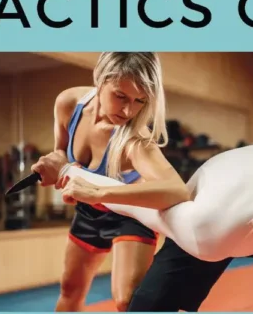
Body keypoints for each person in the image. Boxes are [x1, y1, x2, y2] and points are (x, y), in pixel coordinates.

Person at [43, 136, 253, 312]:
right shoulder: (206, 229)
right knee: (147, 306)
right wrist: (70, 174)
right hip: (215, 194)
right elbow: (139, 205)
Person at [31, 52, 189, 312]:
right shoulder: (69, 103)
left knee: (126, 300)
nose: (129, 110)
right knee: (70, 290)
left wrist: (96, 191)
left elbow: (177, 190)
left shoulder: (134, 139)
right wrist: (51, 164)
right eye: (121, 96)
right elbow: (61, 152)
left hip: (131, 216)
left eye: (140, 101)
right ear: (100, 79)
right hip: (89, 213)